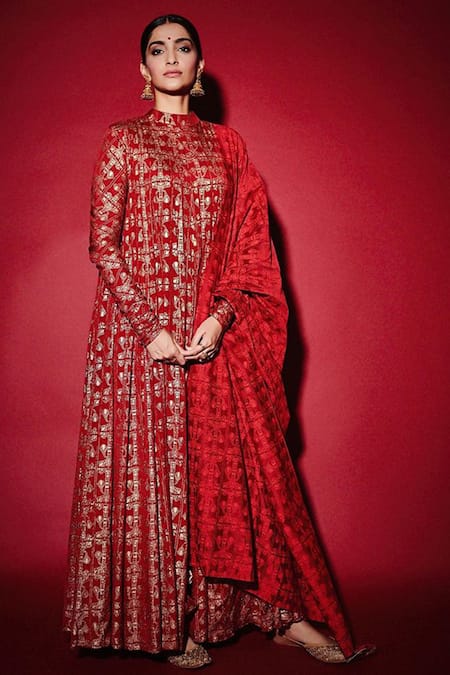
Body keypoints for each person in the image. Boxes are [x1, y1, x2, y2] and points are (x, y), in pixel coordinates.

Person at [62, 14, 375, 670]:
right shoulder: (123, 140)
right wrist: (150, 329)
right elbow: (103, 245)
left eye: (183, 47)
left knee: (234, 478)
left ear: (199, 67)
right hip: (137, 343)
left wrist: (222, 317)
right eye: (158, 49)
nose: (171, 57)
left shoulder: (228, 146)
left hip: (211, 341)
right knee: (154, 480)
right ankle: (164, 622)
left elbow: (249, 246)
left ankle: (275, 612)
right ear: (143, 70)